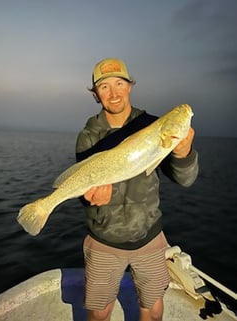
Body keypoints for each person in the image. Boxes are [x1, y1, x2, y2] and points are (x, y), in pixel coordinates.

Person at [75, 57, 199, 321]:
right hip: (104, 241)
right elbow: (84, 190)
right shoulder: (88, 136)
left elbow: (185, 180)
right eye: (104, 86)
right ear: (95, 94)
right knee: (99, 314)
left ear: (130, 85)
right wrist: (92, 200)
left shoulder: (153, 126)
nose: (114, 92)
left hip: (149, 238)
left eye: (119, 83)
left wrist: (184, 152)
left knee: (152, 312)